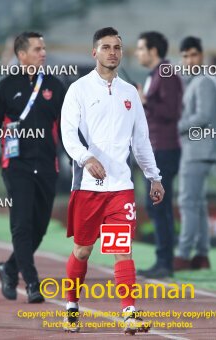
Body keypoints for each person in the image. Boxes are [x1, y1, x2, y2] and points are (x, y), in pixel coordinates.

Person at [61, 27, 164, 335]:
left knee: (123, 249)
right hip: (89, 188)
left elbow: (141, 141)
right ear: (95, 52)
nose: (112, 52)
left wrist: (154, 177)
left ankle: (129, 313)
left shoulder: (130, 92)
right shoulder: (78, 90)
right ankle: (71, 307)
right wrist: (86, 159)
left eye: (117, 47)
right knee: (82, 250)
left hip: (121, 188)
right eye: (106, 47)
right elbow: (68, 134)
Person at [0, 32, 65, 303]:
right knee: (22, 226)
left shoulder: (55, 85)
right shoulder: (5, 87)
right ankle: (33, 282)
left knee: (39, 229)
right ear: (22, 55)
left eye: (44, 48)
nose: (43, 53)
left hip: (47, 166)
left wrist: (79, 156)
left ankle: (9, 268)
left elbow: (70, 126)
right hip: (16, 166)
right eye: (38, 49)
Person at [134, 31, 183, 278]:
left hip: (163, 149)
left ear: (153, 51)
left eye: (141, 48)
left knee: (158, 205)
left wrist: (145, 102)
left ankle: (165, 262)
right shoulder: (155, 74)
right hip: (154, 151)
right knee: (155, 207)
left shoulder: (165, 73)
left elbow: (172, 111)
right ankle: (163, 260)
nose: (137, 53)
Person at [174, 36, 216, 271]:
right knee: (198, 204)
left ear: (201, 56)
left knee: (188, 202)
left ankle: (183, 254)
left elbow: (203, 117)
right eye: (184, 56)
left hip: (197, 150)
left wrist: (176, 124)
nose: (188, 60)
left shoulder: (203, 82)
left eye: (193, 55)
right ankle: (202, 255)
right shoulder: (194, 82)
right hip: (196, 150)